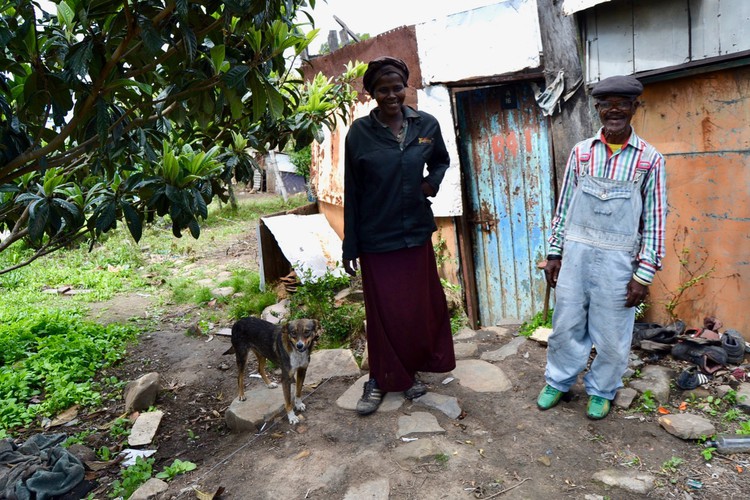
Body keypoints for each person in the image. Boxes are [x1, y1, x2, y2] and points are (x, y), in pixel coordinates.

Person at [537, 75, 667, 419]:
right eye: (607, 104)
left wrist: (643, 275)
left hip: (619, 260)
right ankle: (559, 381)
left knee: (611, 334)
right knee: (566, 325)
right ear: (597, 109)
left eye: (622, 104)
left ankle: (602, 390)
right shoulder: (581, 153)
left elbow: (654, 221)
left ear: (634, 108)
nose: (614, 110)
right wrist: (554, 253)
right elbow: (564, 207)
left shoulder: (649, 160)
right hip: (576, 255)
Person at [342, 56, 456, 415]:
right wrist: (351, 244)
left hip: (416, 233)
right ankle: (379, 378)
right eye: (382, 89)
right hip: (377, 237)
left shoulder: (426, 125)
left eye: (396, 88)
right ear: (371, 93)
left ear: (405, 88)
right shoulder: (359, 134)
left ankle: (406, 374)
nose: (391, 95)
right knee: (382, 313)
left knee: (415, 310)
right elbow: (353, 190)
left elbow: (441, 160)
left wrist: (430, 184)